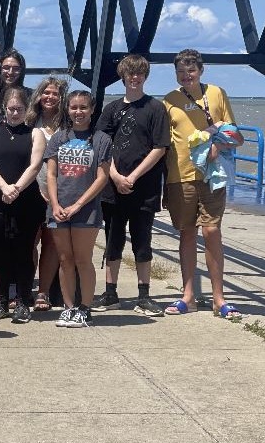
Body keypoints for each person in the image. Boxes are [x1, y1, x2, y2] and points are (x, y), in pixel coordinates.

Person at [162, 49, 241, 319]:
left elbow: (231, 130)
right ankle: (188, 296)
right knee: (186, 233)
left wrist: (218, 144)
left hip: (212, 175)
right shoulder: (169, 100)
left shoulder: (217, 93)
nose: (187, 76)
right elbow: (164, 140)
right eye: (181, 72)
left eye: (191, 71)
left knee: (211, 232)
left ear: (201, 71)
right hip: (180, 175)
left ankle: (219, 298)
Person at [92, 54, 169, 317]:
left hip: (143, 188)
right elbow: (101, 144)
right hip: (113, 188)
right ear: (123, 76)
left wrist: (133, 176)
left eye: (139, 74)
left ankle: (144, 294)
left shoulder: (156, 108)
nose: (134, 78)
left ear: (145, 77)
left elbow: (160, 147)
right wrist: (114, 175)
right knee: (113, 241)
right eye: (130, 74)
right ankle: (110, 292)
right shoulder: (112, 109)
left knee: (142, 241)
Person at [45, 90, 111, 328]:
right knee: (65, 260)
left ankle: (85, 308)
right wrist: (55, 204)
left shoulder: (101, 139)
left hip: (86, 209)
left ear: (92, 110)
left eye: (83, 107)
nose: (78, 112)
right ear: (68, 110)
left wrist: (78, 204)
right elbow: (51, 174)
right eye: (74, 107)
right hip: (59, 208)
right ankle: (69, 306)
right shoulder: (59, 138)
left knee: (83, 259)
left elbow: (102, 177)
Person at [0, 87, 46, 323]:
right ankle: (0, 300)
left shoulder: (35, 133)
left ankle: (23, 300)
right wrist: (4, 188)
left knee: (24, 250)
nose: (14, 113)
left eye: (19, 109)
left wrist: (16, 187)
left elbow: (35, 165)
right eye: (11, 109)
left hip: (26, 199)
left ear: (26, 109)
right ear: (4, 109)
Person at [25, 77, 68, 311]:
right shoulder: (30, 122)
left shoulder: (67, 124)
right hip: (32, 189)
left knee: (52, 243)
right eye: (46, 93)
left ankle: (43, 292)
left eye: (55, 93)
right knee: (30, 242)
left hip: (59, 192)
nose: (50, 97)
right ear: (39, 96)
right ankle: (25, 288)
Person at [0, 48, 32, 116]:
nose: (10, 72)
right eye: (6, 67)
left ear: (21, 71)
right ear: (0, 70)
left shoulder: (30, 96)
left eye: (16, 68)